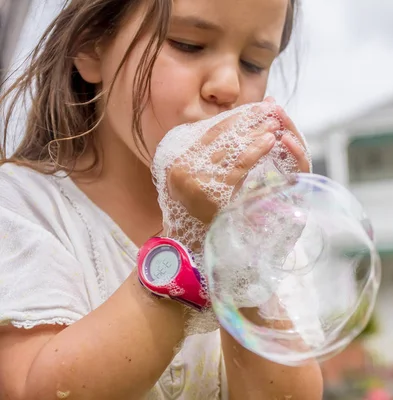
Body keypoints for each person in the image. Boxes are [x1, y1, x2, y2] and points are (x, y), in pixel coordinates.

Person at [0, 0, 323, 399]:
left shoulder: (259, 233)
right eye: (188, 44)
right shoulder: (19, 208)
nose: (229, 86)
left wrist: (246, 262)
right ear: (91, 48)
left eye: (253, 64)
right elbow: (38, 391)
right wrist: (185, 245)